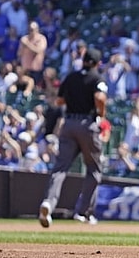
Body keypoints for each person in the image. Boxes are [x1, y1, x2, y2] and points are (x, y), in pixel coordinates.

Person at [38, 48, 108, 227]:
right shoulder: (97, 78)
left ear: (83, 60)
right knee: (93, 169)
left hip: (68, 124)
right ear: (98, 63)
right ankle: (83, 212)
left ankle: (48, 203)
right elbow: (100, 97)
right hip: (87, 125)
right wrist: (101, 114)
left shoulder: (70, 77)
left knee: (60, 168)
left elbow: (59, 101)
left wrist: (74, 100)